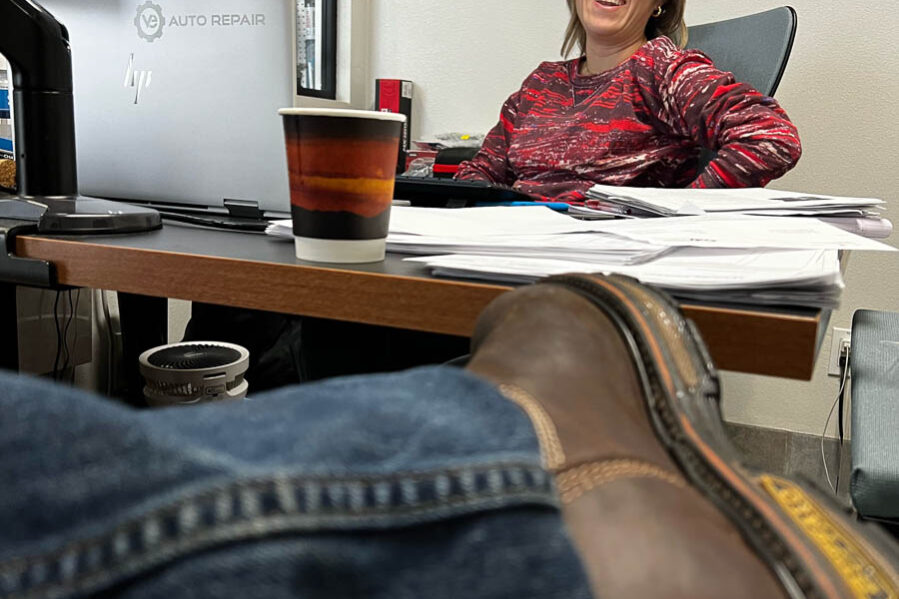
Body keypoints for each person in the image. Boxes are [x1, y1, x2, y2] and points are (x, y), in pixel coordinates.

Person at [2, 274, 897, 598]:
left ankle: (495, 458)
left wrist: (642, 195)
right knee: (324, 318)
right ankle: (526, 495)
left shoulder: (673, 73)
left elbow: (762, 140)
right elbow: (501, 159)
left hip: (614, 245)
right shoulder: (543, 83)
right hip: (522, 244)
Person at [456, 0, 803, 201]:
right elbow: (480, 172)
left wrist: (681, 214)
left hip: (604, 271)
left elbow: (772, 139)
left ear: (658, 5)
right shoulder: (542, 83)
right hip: (509, 251)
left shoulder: (660, 70)